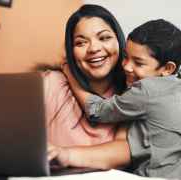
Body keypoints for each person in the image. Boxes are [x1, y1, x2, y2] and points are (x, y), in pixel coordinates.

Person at [59, 19, 181, 180]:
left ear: (167, 68)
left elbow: (97, 111)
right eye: (126, 57)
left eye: (138, 63)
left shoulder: (147, 90)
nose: (127, 66)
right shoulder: (175, 83)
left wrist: (71, 75)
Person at [44, 4, 131, 169]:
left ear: (119, 41)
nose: (94, 48)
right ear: (71, 51)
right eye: (81, 43)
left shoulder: (134, 92)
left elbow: (125, 150)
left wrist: (65, 154)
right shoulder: (50, 83)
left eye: (104, 38)